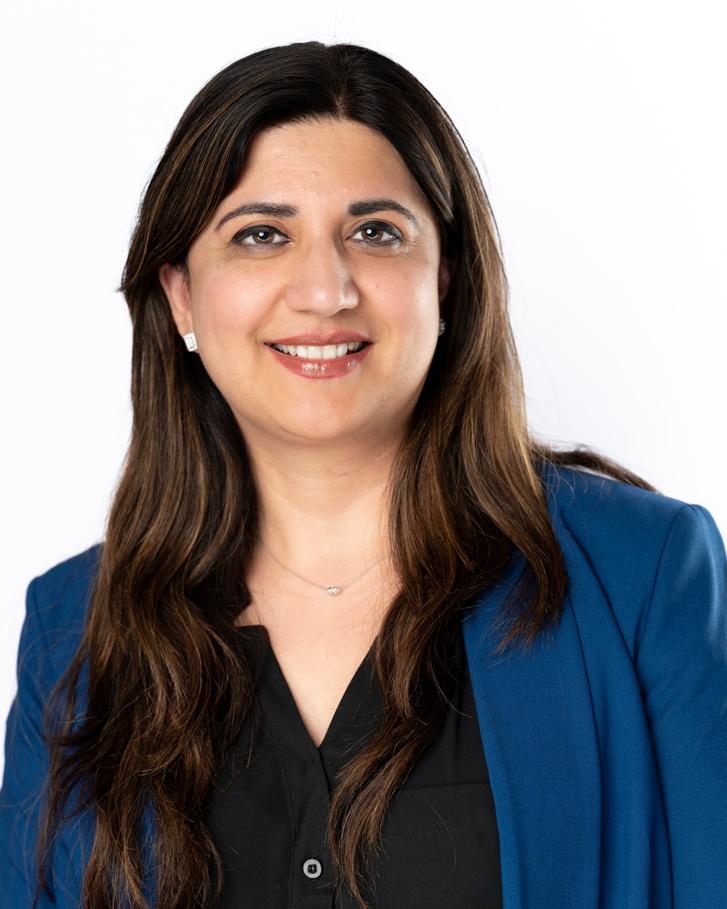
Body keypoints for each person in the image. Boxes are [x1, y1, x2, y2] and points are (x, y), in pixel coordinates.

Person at [1, 40, 725, 909]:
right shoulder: (71, 632)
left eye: (375, 232)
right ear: (181, 294)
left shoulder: (641, 575)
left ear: (444, 279)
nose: (325, 289)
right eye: (261, 234)